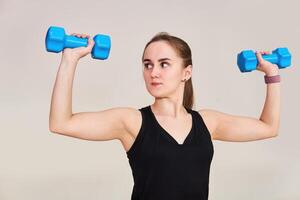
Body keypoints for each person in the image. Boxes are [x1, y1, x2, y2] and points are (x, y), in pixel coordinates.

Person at [49, 32, 280, 200]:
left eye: (164, 64)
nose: (153, 73)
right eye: (147, 65)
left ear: (186, 73)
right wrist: (70, 59)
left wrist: (272, 75)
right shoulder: (131, 122)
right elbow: (61, 123)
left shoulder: (207, 123)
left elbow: (268, 127)